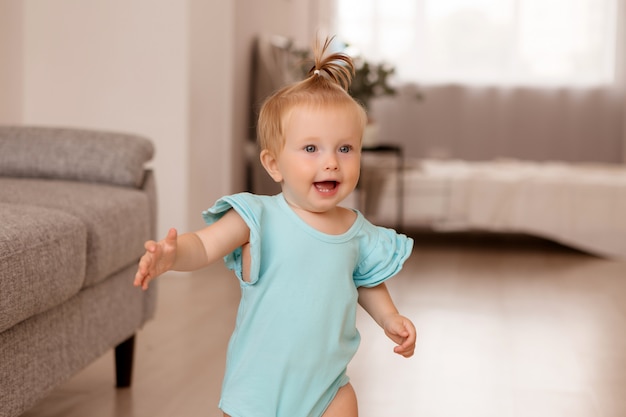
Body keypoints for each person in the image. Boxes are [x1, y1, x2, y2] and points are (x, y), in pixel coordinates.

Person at [134, 36, 416, 417]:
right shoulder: (257, 217)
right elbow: (203, 246)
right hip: (258, 387)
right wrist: (172, 255)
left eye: (345, 148)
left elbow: (366, 281)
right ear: (274, 164)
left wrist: (389, 317)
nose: (331, 162)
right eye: (311, 149)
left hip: (328, 385)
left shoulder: (356, 228)